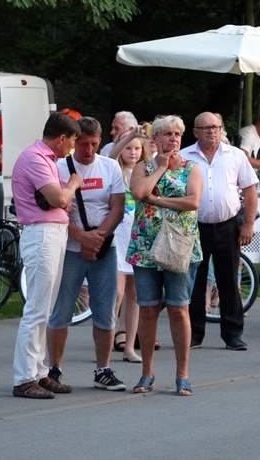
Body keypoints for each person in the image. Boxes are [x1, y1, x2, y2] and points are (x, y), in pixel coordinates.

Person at [44, 117, 126, 393]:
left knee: (105, 310)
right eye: (82, 144)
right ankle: (54, 367)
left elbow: (117, 208)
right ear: (73, 141)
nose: (88, 150)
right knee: (62, 310)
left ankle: (102, 369)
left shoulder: (110, 166)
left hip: (104, 247)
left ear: (100, 142)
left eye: (93, 144)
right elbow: (55, 210)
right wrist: (82, 238)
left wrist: (97, 239)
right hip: (68, 247)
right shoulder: (58, 167)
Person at [127, 115, 203, 396]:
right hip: (145, 247)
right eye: (167, 134)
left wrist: (157, 200)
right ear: (154, 139)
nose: (173, 139)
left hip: (180, 247)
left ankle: (182, 374)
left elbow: (193, 201)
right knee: (147, 309)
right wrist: (159, 169)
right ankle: (147, 372)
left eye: (177, 134)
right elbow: (138, 191)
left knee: (179, 309)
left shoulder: (191, 167)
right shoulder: (143, 167)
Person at [11, 112, 82, 399]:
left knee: (44, 308)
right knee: (37, 309)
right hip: (41, 233)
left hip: (49, 232)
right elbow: (60, 200)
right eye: (73, 142)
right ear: (62, 138)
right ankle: (24, 377)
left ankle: (38, 371)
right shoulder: (36, 158)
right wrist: (73, 183)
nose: (73, 148)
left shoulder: (45, 159)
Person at [179, 112, 258, 351]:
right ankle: (194, 334)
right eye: (205, 128)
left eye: (215, 127)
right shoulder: (183, 157)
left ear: (221, 128)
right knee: (195, 281)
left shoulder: (235, 156)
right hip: (194, 226)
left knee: (229, 280)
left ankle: (233, 333)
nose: (211, 132)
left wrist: (249, 224)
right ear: (195, 132)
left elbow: (250, 191)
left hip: (228, 225)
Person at [109, 129, 153, 363]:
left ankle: (130, 348)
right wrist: (126, 138)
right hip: (117, 239)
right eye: (128, 147)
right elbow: (110, 156)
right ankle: (106, 341)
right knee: (116, 293)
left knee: (135, 294)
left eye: (137, 147)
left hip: (138, 239)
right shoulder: (115, 170)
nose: (133, 152)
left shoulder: (146, 171)